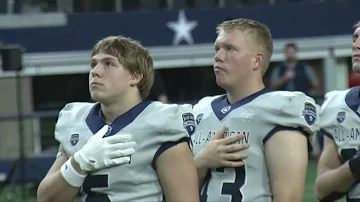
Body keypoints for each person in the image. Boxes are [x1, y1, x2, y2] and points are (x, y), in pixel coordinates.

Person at [37, 36, 199, 202]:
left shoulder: (162, 123)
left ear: (135, 76)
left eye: (109, 64)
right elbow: (46, 199)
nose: (95, 71)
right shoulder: (76, 121)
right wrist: (79, 163)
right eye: (94, 64)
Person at [191, 18, 320, 202]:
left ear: (256, 60)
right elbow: (177, 194)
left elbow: (288, 197)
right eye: (217, 49)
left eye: (230, 49)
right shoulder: (201, 110)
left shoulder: (281, 109)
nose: (218, 56)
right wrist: (201, 163)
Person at [315, 21, 360, 202]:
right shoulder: (338, 105)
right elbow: (322, 190)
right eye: (355, 38)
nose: (356, 45)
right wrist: (355, 165)